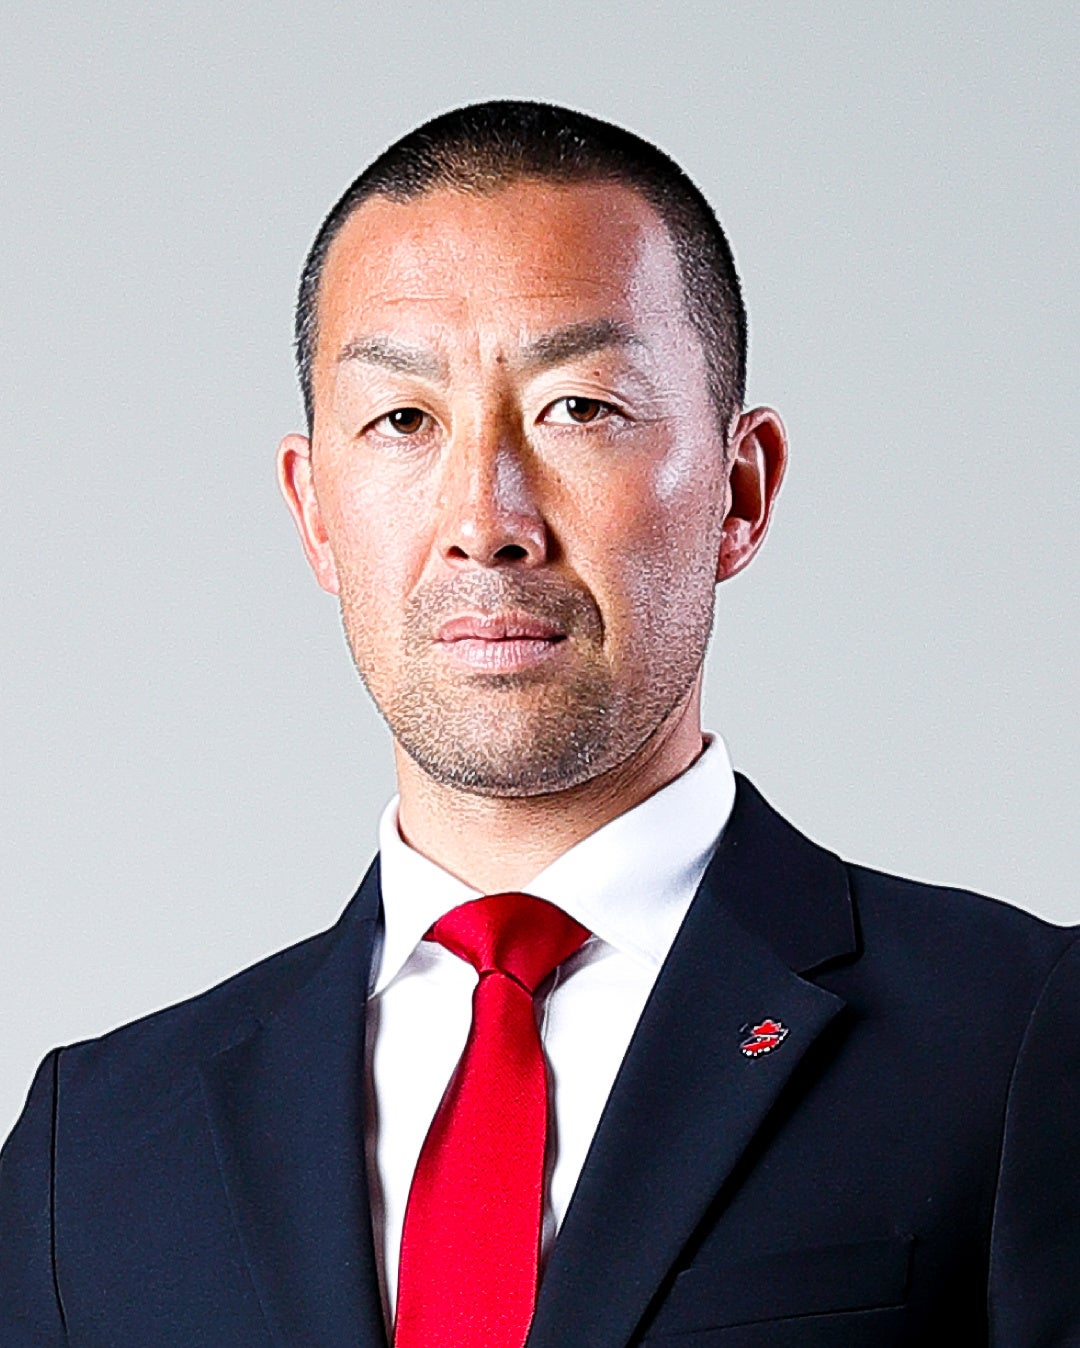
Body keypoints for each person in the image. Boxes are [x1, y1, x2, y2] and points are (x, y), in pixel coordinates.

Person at [1, 100, 1077, 1348]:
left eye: (580, 408)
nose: (486, 519)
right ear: (315, 513)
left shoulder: (1021, 1040)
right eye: (404, 419)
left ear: (740, 490)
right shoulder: (95, 1150)